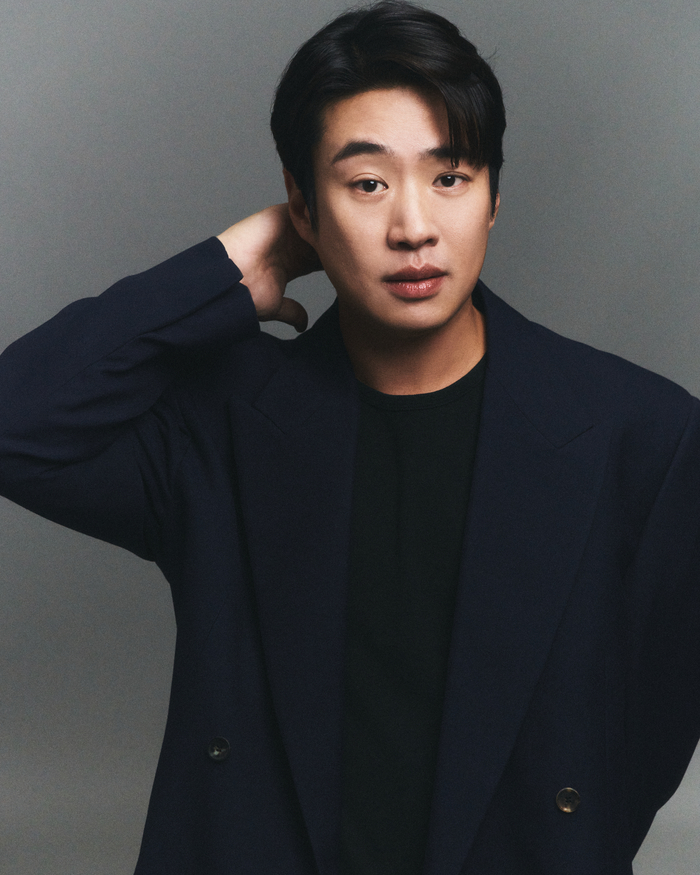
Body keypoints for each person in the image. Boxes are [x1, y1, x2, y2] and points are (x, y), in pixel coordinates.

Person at [1, 2, 699, 873]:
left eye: (451, 177)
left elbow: (658, 718)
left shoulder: (640, 433)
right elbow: (16, 422)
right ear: (303, 202)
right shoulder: (222, 422)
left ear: (493, 197)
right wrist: (230, 269)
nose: (414, 227)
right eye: (367, 183)